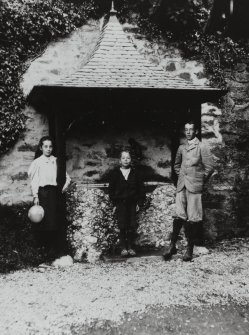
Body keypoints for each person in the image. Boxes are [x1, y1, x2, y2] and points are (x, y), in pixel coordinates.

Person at [163, 121, 214, 262]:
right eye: (186, 130)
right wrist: (182, 177)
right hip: (182, 186)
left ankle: (189, 249)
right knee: (179, 215)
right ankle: (172, 246)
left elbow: (210, 167)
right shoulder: (181, 148)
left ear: (196, 131)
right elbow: (177, 166)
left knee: (193, 218)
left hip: (195, 187)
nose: (188, 132)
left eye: (191, 129)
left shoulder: (202, 147)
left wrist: (198, 179)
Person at [28, 136, 71, 258]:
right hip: (42, 193)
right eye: (45, 146)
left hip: (54, 194)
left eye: (50, 146)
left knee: (54, 221)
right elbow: (34, 180)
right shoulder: (37, 162)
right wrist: (35, 196)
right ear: (41, 148)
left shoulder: (56, 161)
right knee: (43, 221)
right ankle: (43, 249)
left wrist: (62, 188)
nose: (48, 149)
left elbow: (67, 178)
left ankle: (54, 249)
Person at [109, 149, 145, 257]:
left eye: (128, 158)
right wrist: (115, 203)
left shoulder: (135, 173)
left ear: (131, 160)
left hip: (132, 203)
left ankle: (130, 246)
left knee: (131, 225)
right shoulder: (115, 174)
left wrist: (139, 203)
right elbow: (111, 190)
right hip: (120, 203)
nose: (126, 160)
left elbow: (141, 189)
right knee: (122, 225)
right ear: (120, 160)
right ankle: (123, 247)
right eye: (123, 158)